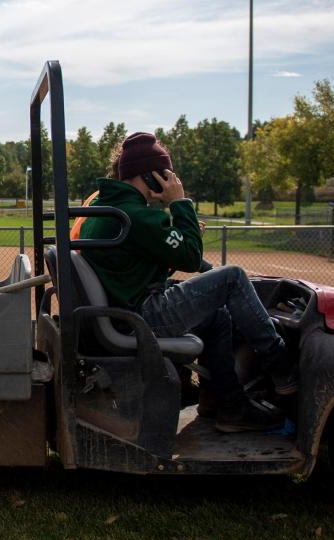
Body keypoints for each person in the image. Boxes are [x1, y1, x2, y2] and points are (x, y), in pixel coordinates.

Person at [77, 131, 296, 433]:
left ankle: (226, 406)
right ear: (152, 177)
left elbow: (140, 262)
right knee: (232, 277)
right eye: (166, 175)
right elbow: (191, 258)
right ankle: (282, 368)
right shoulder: (134, 216)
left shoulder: (105, 207)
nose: (171, 181)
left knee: (217, 317)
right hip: (138, 317)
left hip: (123, 311)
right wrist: (180, 205)